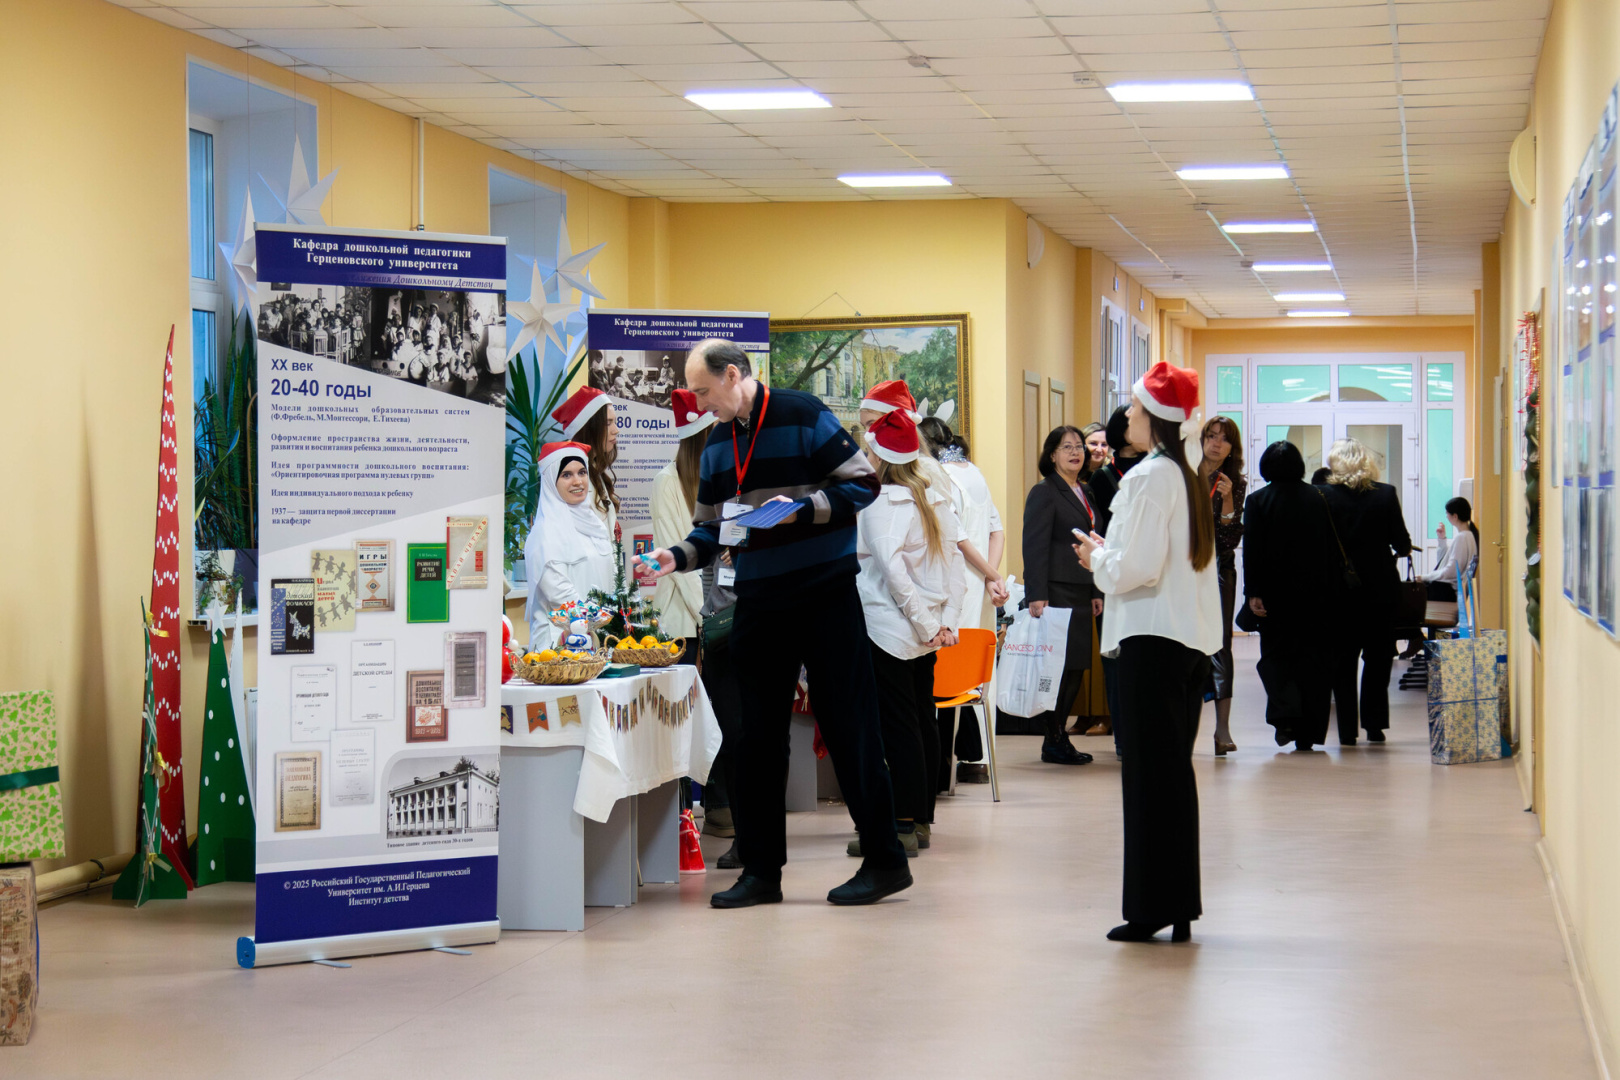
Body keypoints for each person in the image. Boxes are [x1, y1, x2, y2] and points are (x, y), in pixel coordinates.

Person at [647, 339, 911, 908]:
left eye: (703, 391)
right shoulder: (717, 446)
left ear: (733, 375)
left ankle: (885, 860)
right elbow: (711, 529)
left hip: (824, 594)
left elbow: (863, 483)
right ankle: (762, 872)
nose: (699, 404)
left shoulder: (802, 414)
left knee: (849, 726)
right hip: (759, 600)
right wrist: (677, 556)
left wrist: (800, 510)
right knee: (755, 737)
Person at [1074, 362, 1220, 944]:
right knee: (1171, 776)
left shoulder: (1149, 476)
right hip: (1184, 640)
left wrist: (1097, 560)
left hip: (1150, 640)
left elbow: (1136, 568)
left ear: (1155, 418)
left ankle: (1151, 908)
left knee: (1148, 779)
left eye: (1134, 408)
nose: (1126, 416)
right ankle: (1176, 904)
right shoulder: (1184, 472)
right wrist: (1113, 553)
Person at [852, 410, 965, 858]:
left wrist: (927, 624)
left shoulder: (881, 503)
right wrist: (944, 622)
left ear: (880, 457)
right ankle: (919, 819)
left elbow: (892, 574)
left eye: (867, 451)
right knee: (921, 720)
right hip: (924, 630)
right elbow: (955, 564)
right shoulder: (933, 495)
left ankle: (900, 825)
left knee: (897, 727)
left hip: (889, 631)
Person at [917, 416, 1008, 787]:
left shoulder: (939, 476)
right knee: (979, 675)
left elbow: (957, 537)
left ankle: (943, 768)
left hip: (954, 583)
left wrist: (987, 573)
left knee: (947, 675)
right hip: (980, 587)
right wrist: (992, 576)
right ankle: (978, 758)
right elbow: (996, 530)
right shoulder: (974, 472)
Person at [1243, 441, 1342, 750]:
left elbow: (1252, 551)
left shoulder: (1258, 501)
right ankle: (1309, 733)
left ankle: (1285, 717)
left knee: (1276, 657)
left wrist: (1253, 592)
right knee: (1314, 661)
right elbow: (1331, 548)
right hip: (1317, 594)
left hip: (1275, 595)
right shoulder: (1320, 497)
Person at [1318, 438, 1414, 744]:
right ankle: (1374, 725)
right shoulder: (1385, 494)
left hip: (1338, 591)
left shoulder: (1322, 495)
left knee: (1342, 662)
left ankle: (1347, 732)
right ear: (1365, 461)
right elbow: (1401, 542)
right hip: (1380, 590)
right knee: (1378, 658)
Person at [1022, 424, 1102, 765]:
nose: (1075, 452)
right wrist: (1036, 594)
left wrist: (1096, 589)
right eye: (1067, 447)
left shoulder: (1085, 490)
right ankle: (1054, 739)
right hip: (1055, 592)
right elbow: (1034, 545)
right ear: (1052, 454)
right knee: (1058, 668)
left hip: (1081, 590)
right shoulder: (1045, 491)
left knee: (1076, 666)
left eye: (1079, 446)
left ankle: (1056, 737)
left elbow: (1093, 542)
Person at [1083, 405, 1141, 746]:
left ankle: (1140, 735)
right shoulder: (1103, 478)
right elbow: (1098, 530)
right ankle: (1123, 736)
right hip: (1112, 573)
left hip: (1144, 574)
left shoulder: (1155, 469)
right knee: (1116, 659)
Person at [522, 441, 616, 649]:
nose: (578, 481)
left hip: (598, 640)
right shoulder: (544, 533)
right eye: (566, 475)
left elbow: (612, 579)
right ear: (550, 482)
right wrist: (594, 626)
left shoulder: (595, 526)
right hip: (560, 648)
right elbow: (561, 596)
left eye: (582, 472)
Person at [1198, 416, 1246, 756]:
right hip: (1182, 568)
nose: (1216, 443)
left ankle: (1222, 728)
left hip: (1218, 569)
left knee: (1220, 644)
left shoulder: (1234, 482)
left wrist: (1227, 501)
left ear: (1232, 448)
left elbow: (1229, 538)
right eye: (1211, 436)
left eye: (1224, 439)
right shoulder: (1184, 473)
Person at [653, 389, 716, 640]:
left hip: (720, 614)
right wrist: (707, 616)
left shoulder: (717, 478)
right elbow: (678, 560)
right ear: (703, 435)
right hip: (682, 623)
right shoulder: (667, 482)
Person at [552, 386, 619, 535]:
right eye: (608, 423)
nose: (616, 430)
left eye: (615, 422)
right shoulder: (572, 479)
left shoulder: (594, 471)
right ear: (588, 428)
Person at [1424, 496, 1480, 591]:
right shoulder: (1469, 535)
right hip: (1453, 590)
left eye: (1447, 513)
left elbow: (1451, 571)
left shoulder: (1461, 537)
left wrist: (1425, 577)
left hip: (1448, 590)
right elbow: (1444, 563)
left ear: (1455, 516)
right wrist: (1442, 539)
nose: (1446, 516)